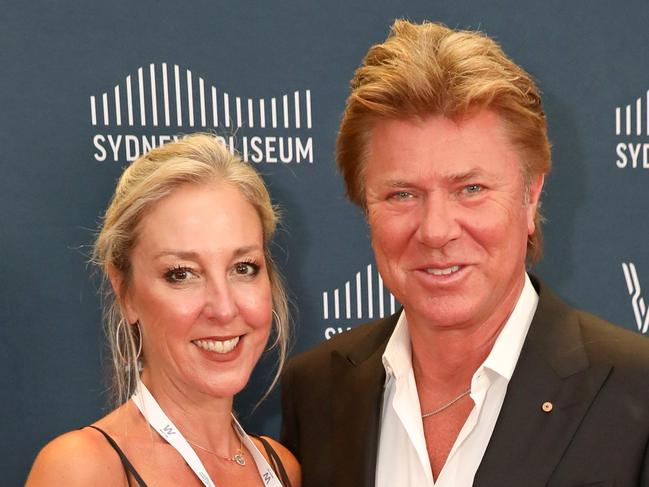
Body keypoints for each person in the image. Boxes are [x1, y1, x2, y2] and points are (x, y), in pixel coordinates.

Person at [280, 19, 649, 487]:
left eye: (470, 189)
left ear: (531, 196)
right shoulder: (316, 392)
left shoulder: (636, 394)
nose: (436, 231)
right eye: (401, 195)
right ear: (364, 205)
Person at [27, 134, 300, 486]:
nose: (223, 307)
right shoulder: (82, 469)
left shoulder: (282, 468)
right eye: (181, 274)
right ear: (124, 291)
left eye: (243, 268)